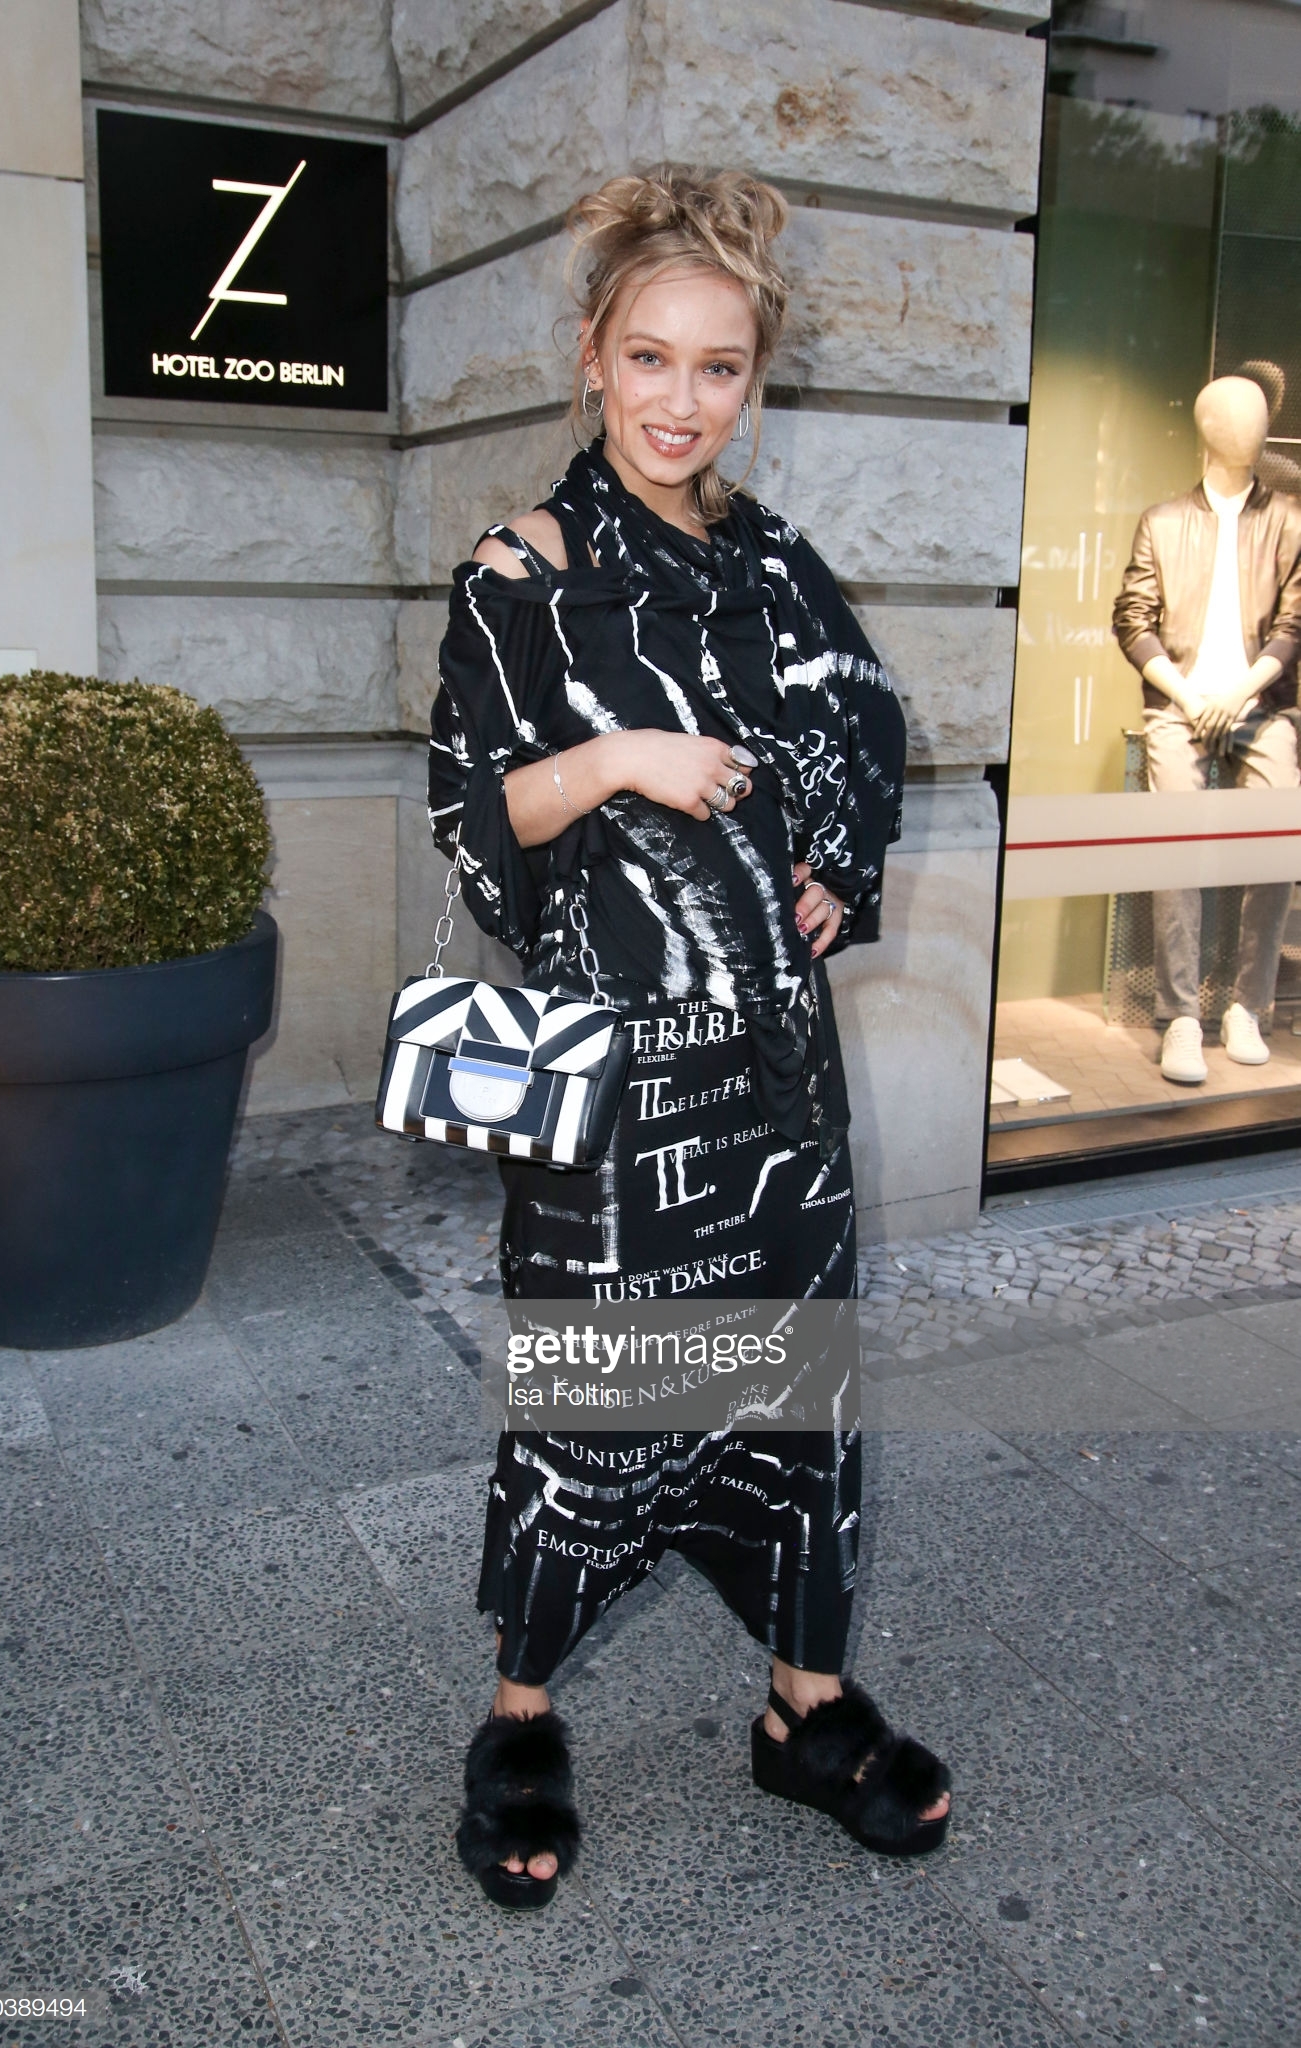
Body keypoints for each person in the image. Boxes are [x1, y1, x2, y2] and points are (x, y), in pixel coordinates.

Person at [427, 165, 951, 1911]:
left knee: (793, 1388)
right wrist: (616, 759)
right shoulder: (523, 571)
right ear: (591, 356)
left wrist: (838, 864)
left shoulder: (774, 564)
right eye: (648, 357)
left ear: (752, 380)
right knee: (593, 1394)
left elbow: (866, 711)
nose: (679, 399)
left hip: (775, 1075)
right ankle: (520, 1710)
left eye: (717, 366)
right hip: (613, 1076)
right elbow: (473, 816)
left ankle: (804, 1704)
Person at [1113, 375, 1301, 1085]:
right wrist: (1191, 697)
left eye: (1257, 416)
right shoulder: (1162, 521)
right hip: (1178, 705)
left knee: (1277, 833)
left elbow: (1294, 623)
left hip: (1262, 704)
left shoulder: (1290, 519)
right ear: (1207, 426)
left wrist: (1239, 692)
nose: (1251, 428)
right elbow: (1132, 620)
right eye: (1237, 416)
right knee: (1176, 841)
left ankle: (1248, 1005)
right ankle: (1181, 1015)